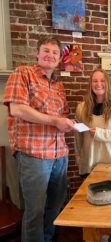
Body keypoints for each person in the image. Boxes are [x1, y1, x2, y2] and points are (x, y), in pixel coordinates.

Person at [3, 35, 78, 242]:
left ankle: (47, 238)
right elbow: (17, 109)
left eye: (55, 52)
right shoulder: (23, 74)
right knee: (35, 211)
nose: (50, 55)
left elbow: (59, 118)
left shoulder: (59, 86)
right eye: (46, 50)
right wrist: (55, 121)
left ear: (60, 58)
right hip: (33, 154)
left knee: (55, 207)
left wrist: (67, 124)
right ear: (37, 53)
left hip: (59, 155)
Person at [75, 67, 111, 178]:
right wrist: (79, 159)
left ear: (108, 83)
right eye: (95, 81)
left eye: (102, 80)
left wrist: (100, 133)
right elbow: (78, 137)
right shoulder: (81, 108)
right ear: (90, 84)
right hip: (88, 164)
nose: (98, 84)